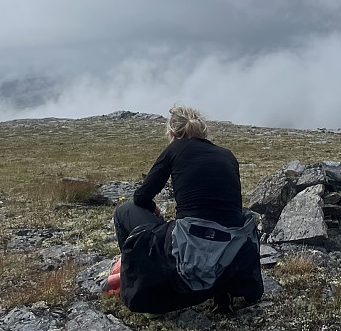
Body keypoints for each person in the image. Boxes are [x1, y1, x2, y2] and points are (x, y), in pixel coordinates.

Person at [111, 106, 263, 315]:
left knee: (125, 211)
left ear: (172, 132)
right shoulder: (227, 155)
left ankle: (141, 285)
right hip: (231, 254)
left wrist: (153, 207)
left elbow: (141, 197)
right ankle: (222, 293)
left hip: (189, 248)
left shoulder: (176, 149)